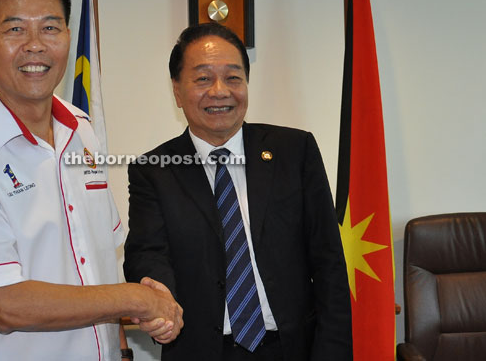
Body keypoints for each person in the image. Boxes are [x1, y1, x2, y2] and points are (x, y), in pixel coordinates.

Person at [0, 0, 182, 360]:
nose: (36, 45)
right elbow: (7, 305)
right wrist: (136, 299)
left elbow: (99, 264)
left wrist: (123, 349)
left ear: (68, 38)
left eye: (51, 28)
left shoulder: (82, 131)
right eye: (15, 29)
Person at [123, 22, 352, 361]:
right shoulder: (154, 170)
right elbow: (148, 253)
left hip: (293, 349)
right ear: (176, 89)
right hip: (201, 350)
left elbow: (329, 261)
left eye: (233, 77)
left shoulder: (294, 150)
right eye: (203, 79)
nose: (220, 91)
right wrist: (157, 298)